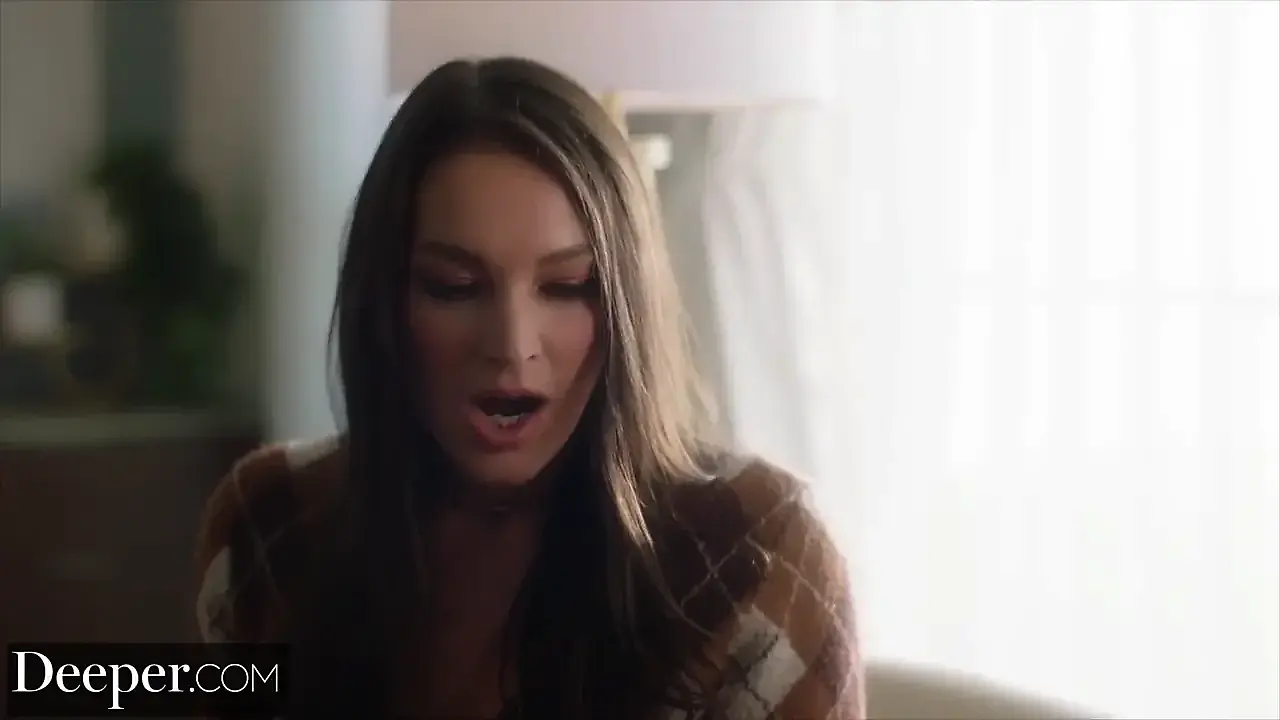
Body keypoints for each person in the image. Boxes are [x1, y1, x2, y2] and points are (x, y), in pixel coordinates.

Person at [193, 56, 863, 720]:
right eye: (455, 287)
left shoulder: (764, 559)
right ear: (385, 302)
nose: (513, 346)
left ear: (625, 304)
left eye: (567, 287)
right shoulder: (269, 524)